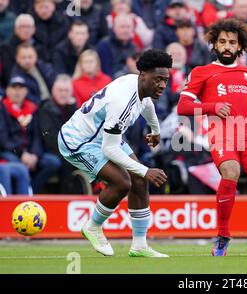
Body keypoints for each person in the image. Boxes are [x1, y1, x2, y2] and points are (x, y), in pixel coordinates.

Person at [177, 19, 247, 256]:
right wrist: (212, 106)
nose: (227, 46)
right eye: (222, 42)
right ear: (214, 45)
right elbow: (183, 106)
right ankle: (223, 236)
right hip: (222, 133)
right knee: (230, 172)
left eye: (232, 43)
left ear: (240, 47)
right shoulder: (202, 72)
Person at [58, 49, 172, 257]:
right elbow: (109, 149)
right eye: (158, 79)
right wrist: (146, 170)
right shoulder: (122, 102)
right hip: (78, 141)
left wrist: (155, 131)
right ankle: (92, 226)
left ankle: (139, 246)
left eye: (165, 80)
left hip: (102, 136)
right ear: (143, 75)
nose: (163, 85)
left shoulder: (137, 84)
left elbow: (146, 105)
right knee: (123, 182)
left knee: (139, 179)